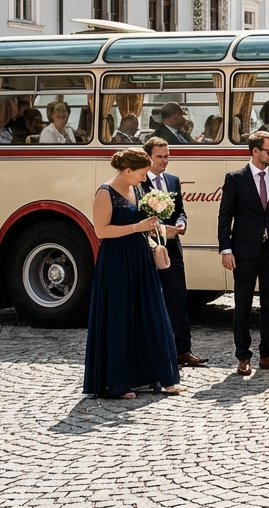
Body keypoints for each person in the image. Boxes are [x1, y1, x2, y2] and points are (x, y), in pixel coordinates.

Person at [84, 149, 183, 398]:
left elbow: (140, 223)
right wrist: (138, 226)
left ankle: (161, 376)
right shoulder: (105, 192)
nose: (144, 178)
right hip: (116, 260)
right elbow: (101, 231)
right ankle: (118, 382)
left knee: (151, 314)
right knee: (120, 318)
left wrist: (155, 226)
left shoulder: (137, 190)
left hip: (140, 257)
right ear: (127, 170)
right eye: (141, 173)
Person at [217, 131, 269, 376]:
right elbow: (225, 216)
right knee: (243, 304)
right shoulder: (236, 178)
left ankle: (267, 355)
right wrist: (226, 248)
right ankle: (243, 357)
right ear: (255, 151)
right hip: (244, 250)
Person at [142, 137, 206, 367]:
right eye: (160, 157)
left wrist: (181, 224)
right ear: (148, 157)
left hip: (172, 249)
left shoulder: (172, 180)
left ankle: (183, 350)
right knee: (149, 300)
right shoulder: (139, 183)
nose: (164, 161)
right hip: (147, 248)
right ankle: (152, 351)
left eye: (167, 156)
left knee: (178, 298)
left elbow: (180, 210)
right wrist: (159, 229)